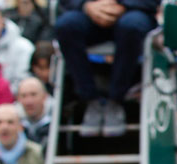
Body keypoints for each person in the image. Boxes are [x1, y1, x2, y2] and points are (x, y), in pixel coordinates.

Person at [55, 0, 158, 139]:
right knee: (66, 26)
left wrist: (122, 5)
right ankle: (91, 99)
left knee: (131, 25)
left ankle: (116, 99)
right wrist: (87, 6)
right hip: (89, 13)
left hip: (132, 12)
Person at [15, 76, 51, 145]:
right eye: (24, 96)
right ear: (18, 99)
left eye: (33, 94)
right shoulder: (12, 122)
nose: (29, 101)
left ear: (45, 96)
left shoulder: (56, 121)